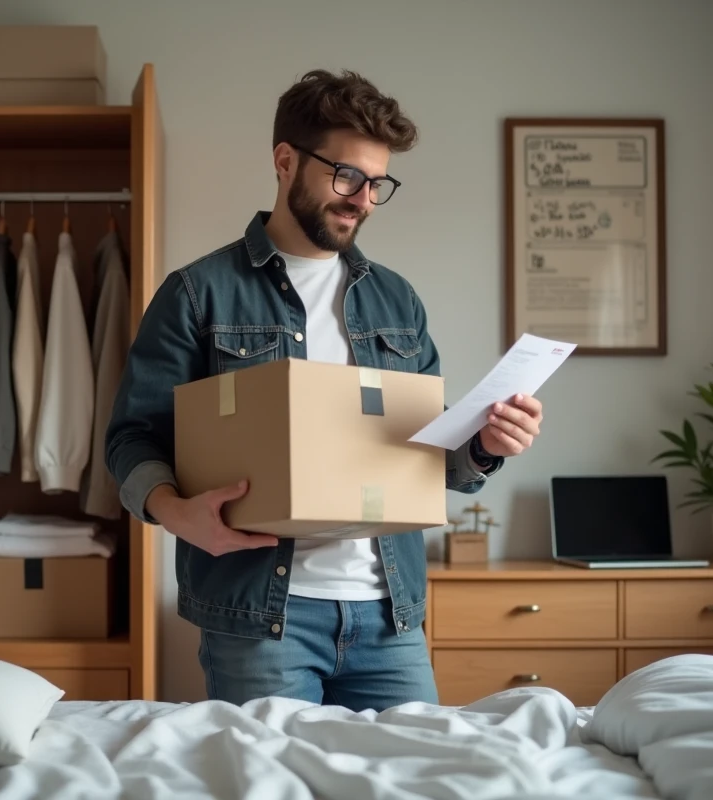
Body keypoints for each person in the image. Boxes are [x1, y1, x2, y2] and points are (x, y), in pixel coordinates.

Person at [105, 68, 544, 711]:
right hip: (262, 621)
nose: (363, 199)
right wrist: (176, 512)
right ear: (286, 161)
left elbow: (426, 452)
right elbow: (132, 435)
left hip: (389, 616)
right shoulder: (199, 292)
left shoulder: (397, 300)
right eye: (347, 177)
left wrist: (483, 443)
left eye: (378, 183)